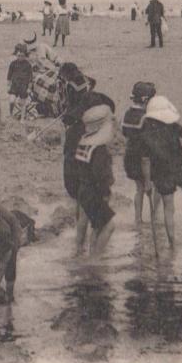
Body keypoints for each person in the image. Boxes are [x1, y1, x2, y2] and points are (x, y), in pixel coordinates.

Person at [140, 96, 182, 248]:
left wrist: (148, 182)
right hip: (181, 166)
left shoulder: (145, 134)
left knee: (169, 208)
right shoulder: (173, 125)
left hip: (162, 172)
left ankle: (172, 244)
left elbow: (145, 160)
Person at [75, 104, 116, 257]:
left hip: (84, 190)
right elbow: (100, 175)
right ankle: (96, 260)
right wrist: (106, 193)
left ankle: (89, 252)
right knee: (109, 226)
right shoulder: (100, 149)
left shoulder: (84, 142)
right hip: (95, 193)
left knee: (97, 225)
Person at [121, 81, 157, 225]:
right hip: (144, 157)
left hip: (129, 156)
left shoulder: (126, 115)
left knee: (139, 189)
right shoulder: (146, 118)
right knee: (150, 185)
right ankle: (154, 216)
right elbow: (146, 157)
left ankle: (138, 219)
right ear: (146, 100)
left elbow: (124, 133)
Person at [7, 44, 33, 121]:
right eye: (18, 55)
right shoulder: (13, 64)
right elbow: (9, 76)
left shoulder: (28, 65)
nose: (20, 57)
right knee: (11, 101)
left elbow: (30, 78)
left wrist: (29, 88)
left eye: (22, 56)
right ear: (16, 55)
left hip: (23, 86)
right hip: (14, 85)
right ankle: (11, 114)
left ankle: (22, 118)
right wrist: (9, 85)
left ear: (25, 56)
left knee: (23, 103)